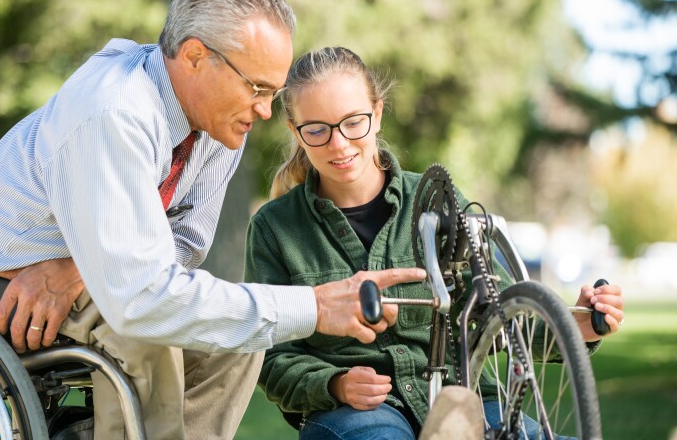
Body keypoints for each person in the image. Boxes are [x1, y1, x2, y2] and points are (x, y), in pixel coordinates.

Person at [0, 0, 422, 440]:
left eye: (272, 93)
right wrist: (315, 307)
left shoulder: (215, 125)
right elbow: (142, 297)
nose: (263, 112)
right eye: (256, 87)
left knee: (237, 338)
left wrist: (78, 270)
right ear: (194, 57)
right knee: (147, 333)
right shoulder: (114, 112)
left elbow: (182, 247)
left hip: (64, 278)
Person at [244, 46, 626, 439]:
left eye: (353, 122)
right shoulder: (275, 228)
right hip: (356, 413)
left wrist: (579, 325)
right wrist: (334, 383)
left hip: (461, 397)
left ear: (376, 114)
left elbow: (497, 313)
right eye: (318, 129)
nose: (338, 144)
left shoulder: (437, 204)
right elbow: (270, 357)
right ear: (295, 130)